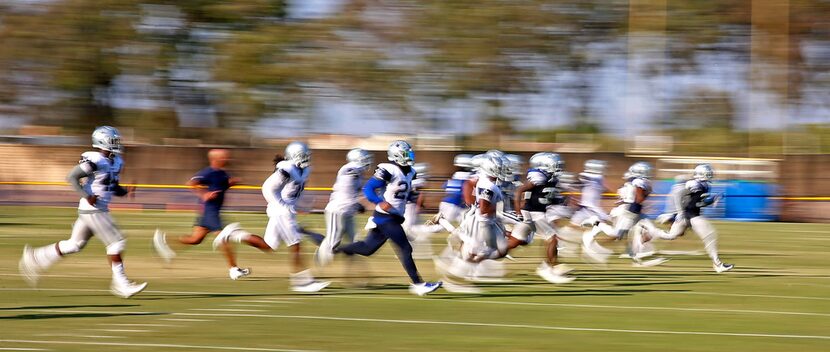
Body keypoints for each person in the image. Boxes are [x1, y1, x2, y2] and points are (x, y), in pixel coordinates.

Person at [19, 126, 147, 298]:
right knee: (116, 243)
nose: (117, 143)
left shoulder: (116, 161)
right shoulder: (95, 160)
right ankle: (121, 284)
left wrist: (125, 192)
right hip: (93, 209)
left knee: (74, 245)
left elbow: (110, 185)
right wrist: (87, 196)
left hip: (95, 209)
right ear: (102, 140)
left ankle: (34, 258)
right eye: (113, 140)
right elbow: (72, 177)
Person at [333, 140, 442, 296]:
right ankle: (418, 284)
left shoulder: (411, 172)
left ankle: (338, 249)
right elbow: (369, 188)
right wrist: (380, 202)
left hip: (395, 216)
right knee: (405, 248)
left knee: (367, 248)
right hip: (386, 217)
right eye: (406, 153)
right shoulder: (388, 169)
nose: (410, 156)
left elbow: (404, 193)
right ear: (396, 156)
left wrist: (415, 202)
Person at [153, 149, 264, 280]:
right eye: (224, 158)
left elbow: (223, 186)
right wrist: (204, 194)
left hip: (210, 212)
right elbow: (191, 183)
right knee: (224, 237)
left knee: (195, 240)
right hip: (210, 211)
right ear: (216, 160)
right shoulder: (208, 172)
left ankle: (164, 240)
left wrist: (232, 183)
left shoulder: (223, 173)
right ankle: (233, 269)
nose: (227, 160)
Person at [257, 142, 330, 292]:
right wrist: (280, 205)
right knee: (296, 243)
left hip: (287, 209)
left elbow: (295, 190)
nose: (307, 158)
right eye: (304, 155)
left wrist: (301, 205)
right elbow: (268, 188)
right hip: (281, 210)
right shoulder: (286, 168)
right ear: (294, 156)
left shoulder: (305, 170)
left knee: (269, 245)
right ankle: (301, 282)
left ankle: (234, 234)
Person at [643, 164, 734, 273]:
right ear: (702, 174)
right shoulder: (695, 184)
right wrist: (680, 212)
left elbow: (698, 203)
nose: (710, 175)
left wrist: (712, 199)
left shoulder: (703, 185)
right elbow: (682, 197)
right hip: (690, 215)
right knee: (710, 235)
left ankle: (652, 232)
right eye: (708, 173)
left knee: (671, 235)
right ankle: (717, 264)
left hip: (689, 215)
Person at [511, 152, 575, 284]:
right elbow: (519, 191)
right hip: (534, 213)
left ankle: (482, 255)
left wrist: (560, 200)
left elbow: (545, 198)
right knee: (552, 239)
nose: (559, 167)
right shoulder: (539, 176)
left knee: (513, 243)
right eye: (556, 164)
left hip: (535, 212)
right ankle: (550, 268)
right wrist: (518, 212)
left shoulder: (550, 179)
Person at [315, 148, 373, 266]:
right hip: (337, 210)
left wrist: (356, 204)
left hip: (348, 211)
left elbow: (353, 192)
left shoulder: (358, 172)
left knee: (354, 239)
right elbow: (347, 189)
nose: (368, 161)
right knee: (333, 241)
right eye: (365, 159)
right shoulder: (350, 169)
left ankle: (355, 269)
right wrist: (356, 203)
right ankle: (318, 263)